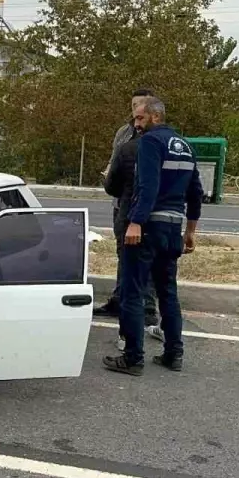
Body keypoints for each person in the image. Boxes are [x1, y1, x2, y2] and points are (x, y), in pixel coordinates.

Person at [104, 97, 203, 376]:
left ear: (155, 117)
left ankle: (133, 357)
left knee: (133, 291)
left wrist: (135, 223)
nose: (136, 124)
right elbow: (195, 192)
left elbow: (147, 186)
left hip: (147, 228)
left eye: (139, 119)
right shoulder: (185, 146)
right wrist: (191, 231)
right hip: (173, 228)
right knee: (167, 293)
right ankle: (174, 353)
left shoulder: (150, 143)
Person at [96, 89, 159, 333]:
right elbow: (115, 161)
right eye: (133, 105)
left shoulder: (156, 137)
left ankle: (147, 309)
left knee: (146, 260)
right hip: (120, 204)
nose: (136, 110)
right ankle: (118, 300)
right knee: (122, 254)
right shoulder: (123, 133)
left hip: (144, 208)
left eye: (141, 106)